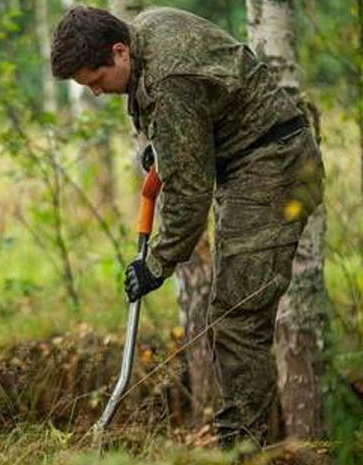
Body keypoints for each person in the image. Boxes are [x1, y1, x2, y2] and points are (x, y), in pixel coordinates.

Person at [50, 6, 324, 446]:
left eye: (97, 81)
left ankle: (241, 450)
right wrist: (168, 145)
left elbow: (190, 194)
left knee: (238, 317)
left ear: (119, 51)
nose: (98, 93)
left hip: (274, 169)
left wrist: (156, 265)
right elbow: (200, 115)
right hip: (255, 159)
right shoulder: (147, 28)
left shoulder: (169, 79)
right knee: (236, 312)